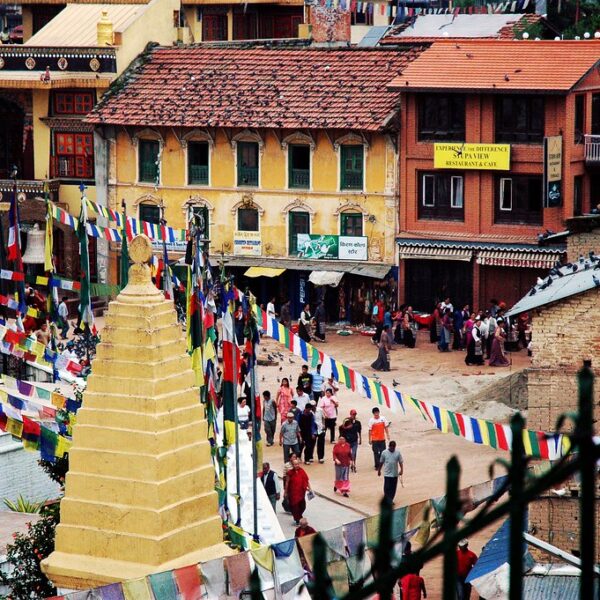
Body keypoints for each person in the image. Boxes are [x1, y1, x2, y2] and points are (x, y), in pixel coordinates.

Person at [285, 458, 312, 525]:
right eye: (295, 464)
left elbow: (306, 480)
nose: (296, 465)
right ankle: (298, 519)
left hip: (301, 492)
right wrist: (285, 492)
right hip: (293, 493)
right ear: (292, 465)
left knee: (303, 506)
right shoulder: (290, 473)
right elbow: (287, 482)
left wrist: (310, 488)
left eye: (297, 464)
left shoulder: (302, 471)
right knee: (295, 507)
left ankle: (299, 516)